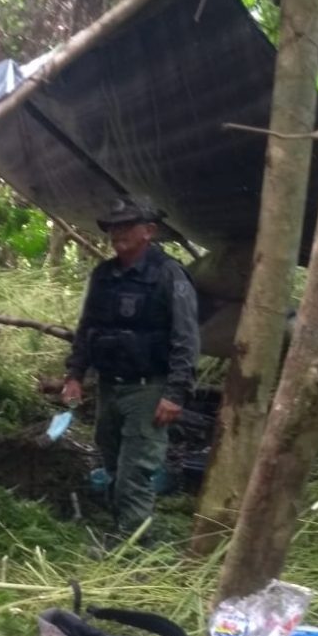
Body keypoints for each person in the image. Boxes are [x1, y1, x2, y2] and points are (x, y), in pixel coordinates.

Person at [62, 199, 199, 540]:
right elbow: (87, 327)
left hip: (148, 388)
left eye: (127, 227)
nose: (118, 234)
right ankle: (122, 525)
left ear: (148, 232)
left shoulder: (168, 274)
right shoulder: (104, 275)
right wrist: (75, 375)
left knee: (135, 470)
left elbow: (186, 336)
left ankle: (132, 546)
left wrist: (174, 393)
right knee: (111, 462)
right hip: (110, 386)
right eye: (113, 228)